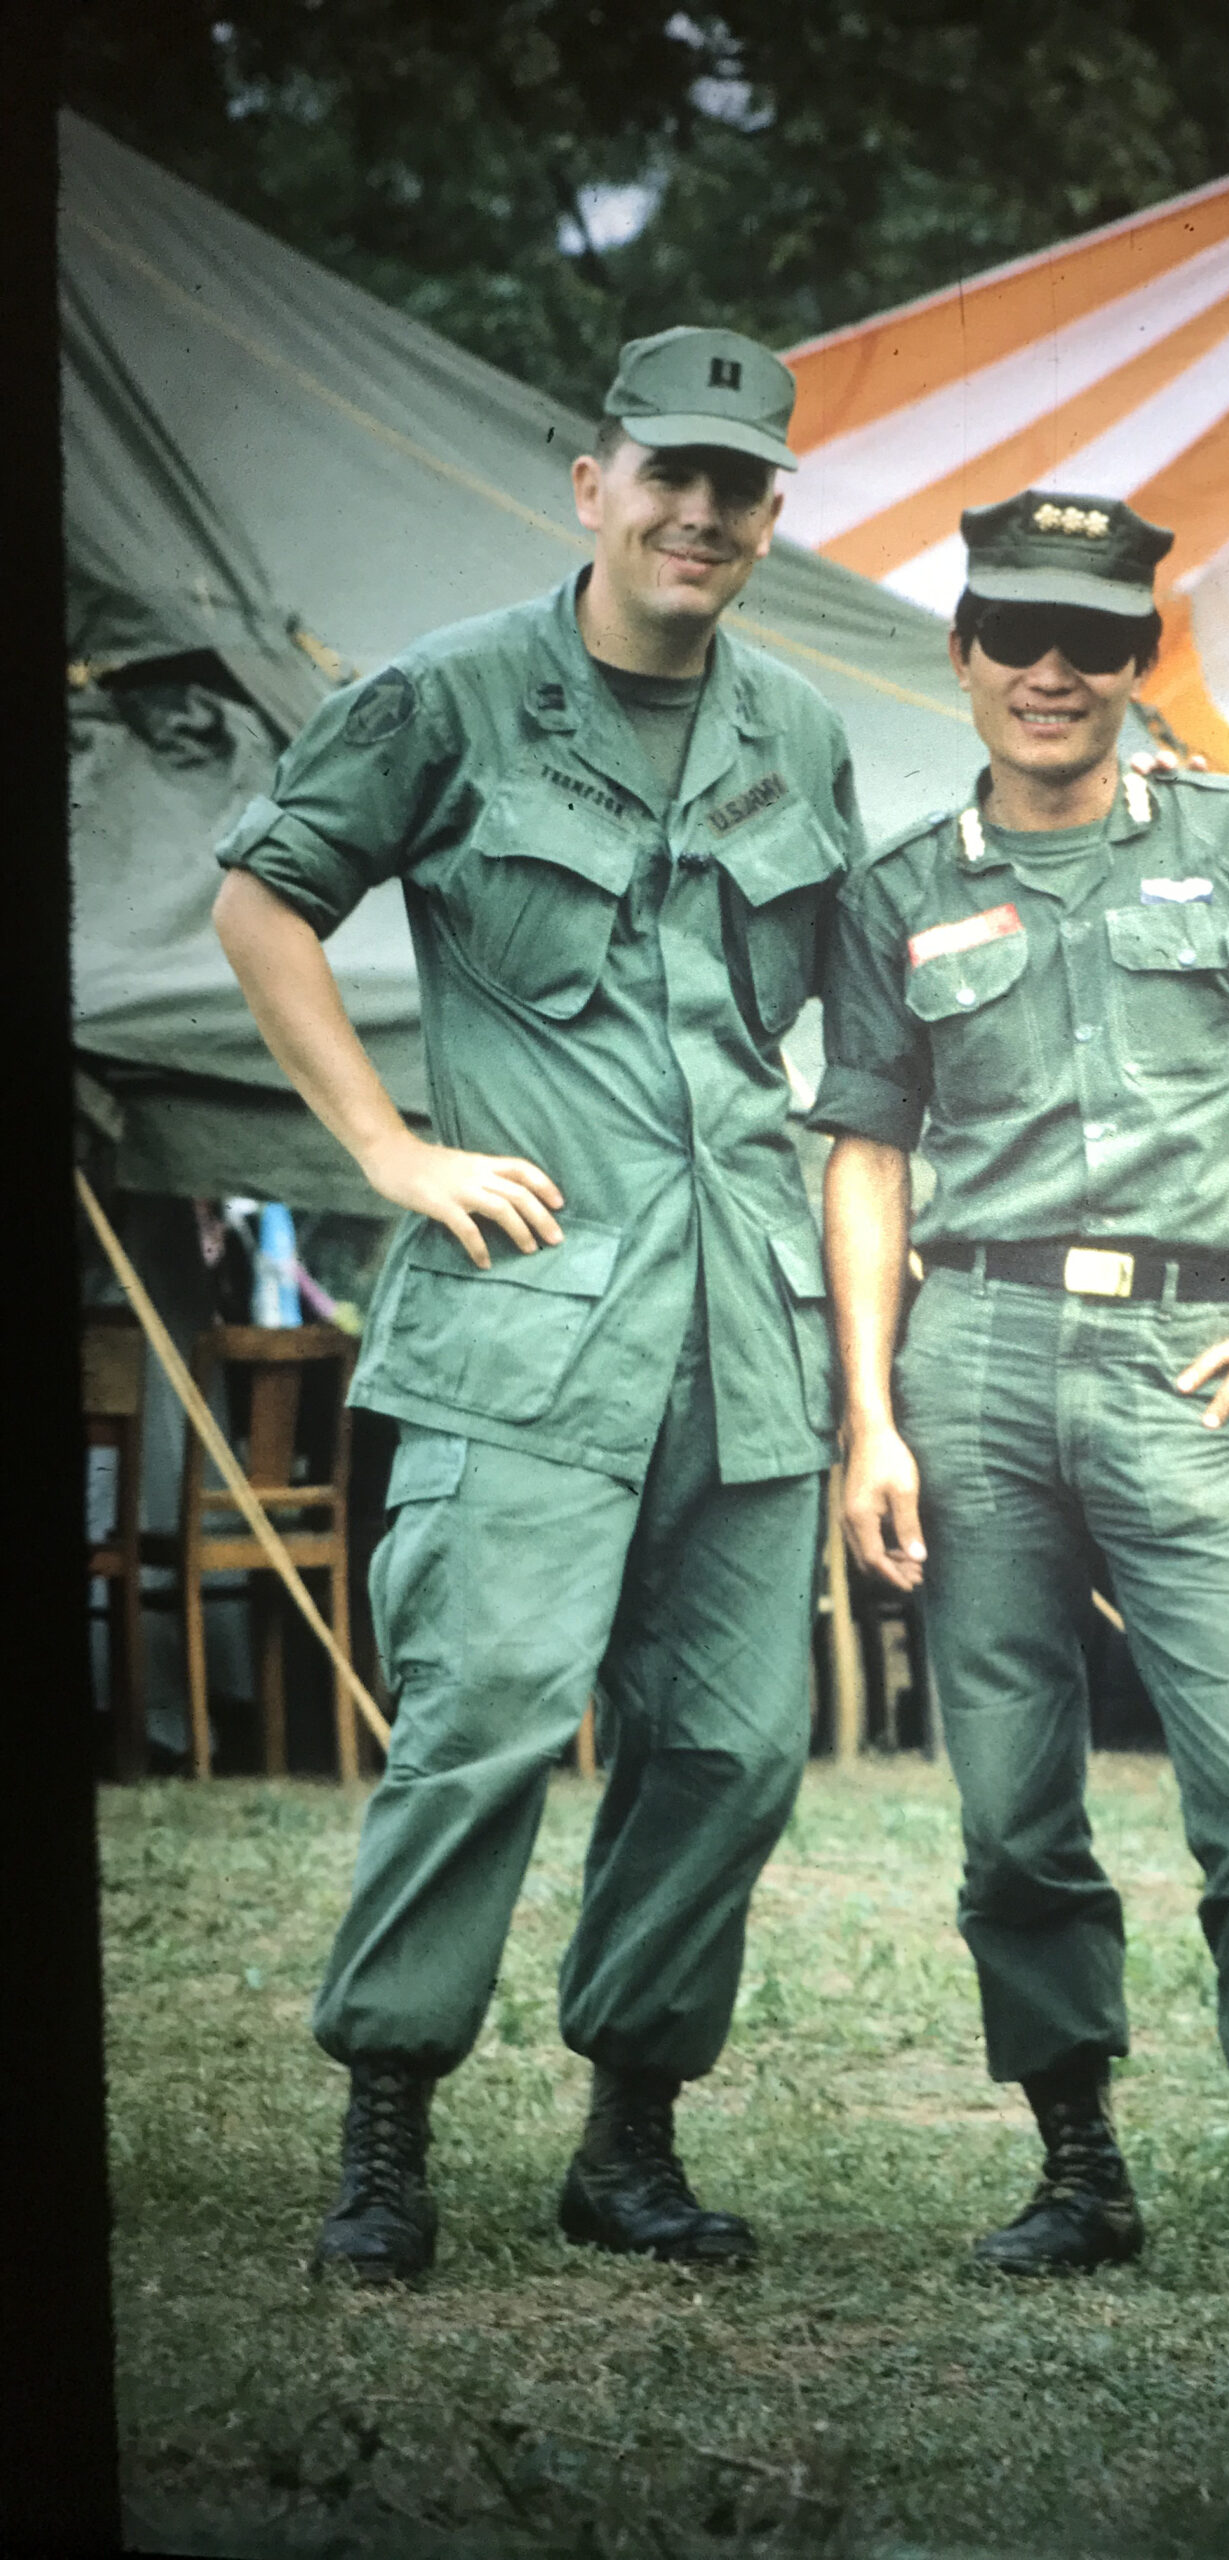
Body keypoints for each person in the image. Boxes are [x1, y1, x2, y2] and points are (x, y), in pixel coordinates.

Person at [211, 328, 861, 2283]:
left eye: (739, 485)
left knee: (735, 1748)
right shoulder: (452, 697)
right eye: (668, 471)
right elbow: (263, 898)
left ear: (769, 515)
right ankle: (388, 2129)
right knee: (485, 1717)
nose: (699, 511)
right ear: (591, 482)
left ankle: (629, 2143)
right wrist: (390, 1151)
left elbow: (844, 1014)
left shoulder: (802, 732)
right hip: (525, 1329)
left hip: (745, 1339)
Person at [811, 488, 1229, 2308]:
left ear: (1138, 660)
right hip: (973, 1359)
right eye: (1016, 632)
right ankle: (1077, 2167)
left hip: (1183, 1366)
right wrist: (873, 1412)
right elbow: (863, 1148)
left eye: (1093, 639)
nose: (1051, 671)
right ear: (965, 653)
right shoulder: (901, 890)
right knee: (1010, 1807)